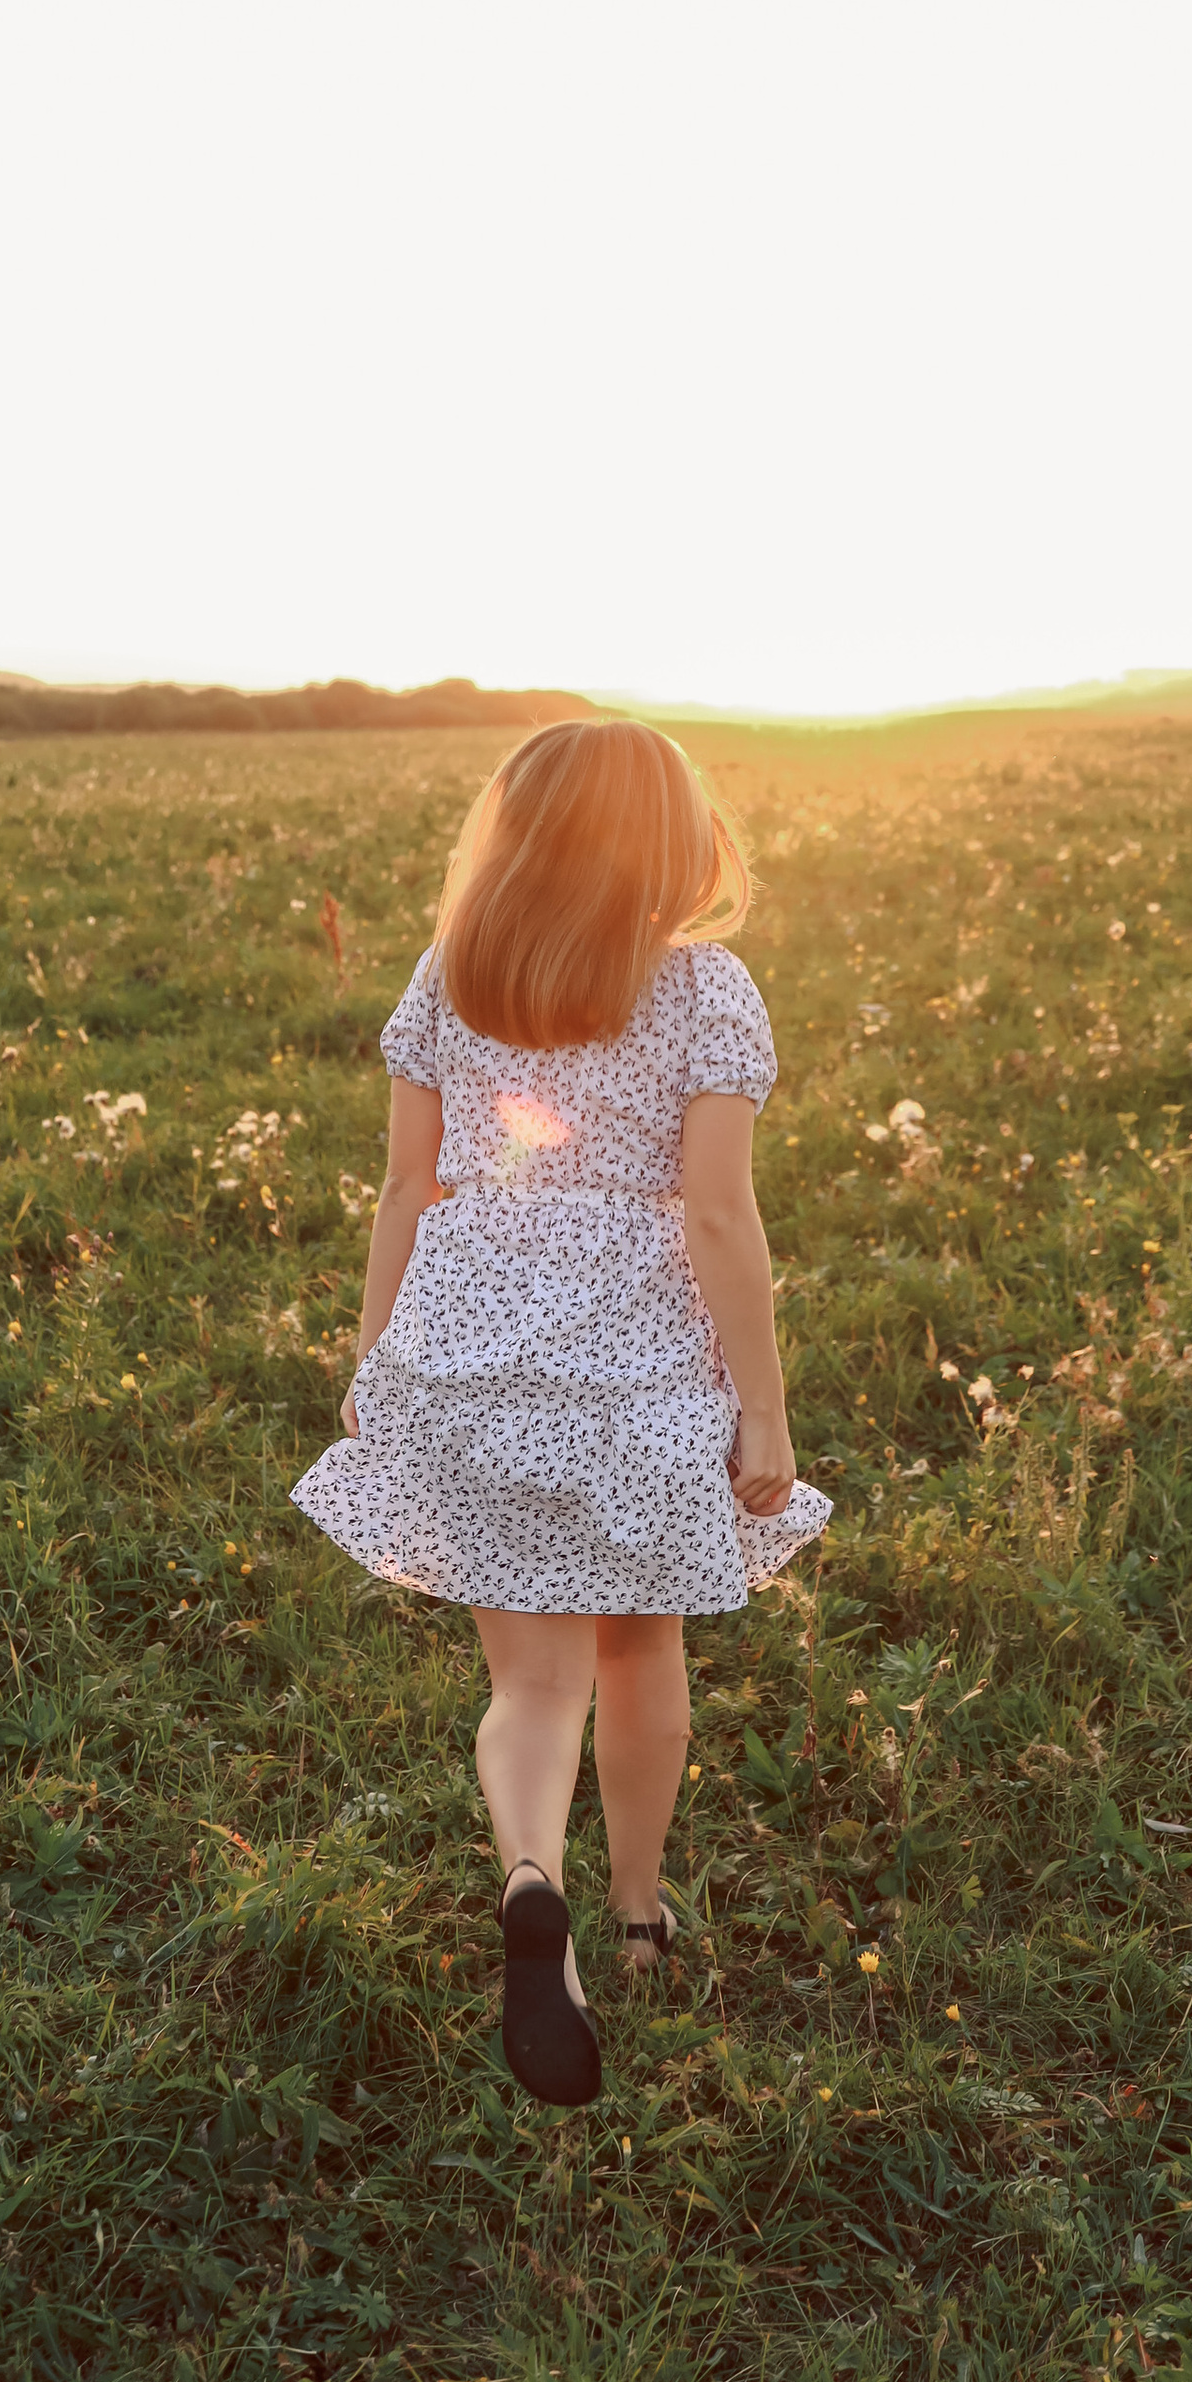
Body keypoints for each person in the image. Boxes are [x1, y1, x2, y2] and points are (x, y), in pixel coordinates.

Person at [293, 717, 830, 2106]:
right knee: (641, 1656)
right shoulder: (710, 992)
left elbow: (407, 1191)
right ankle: (639, 1913)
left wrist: (377, 1362)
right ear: (676, 839)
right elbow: (718, 1214)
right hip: (635, 1366)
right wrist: (761, 1413)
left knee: (530, 1684)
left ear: (513, 833)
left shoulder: (446, 977)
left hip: (465, 1350)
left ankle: (535, 1881)